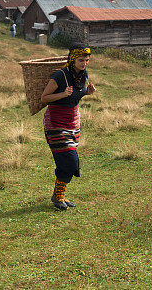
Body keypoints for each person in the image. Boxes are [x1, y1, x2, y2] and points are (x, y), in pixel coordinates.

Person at [40, 44, 97, 210]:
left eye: (87, 60)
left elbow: (76, 96)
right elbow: (45, 98)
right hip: (55, 124)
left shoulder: (83, 75)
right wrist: (62, 94)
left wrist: (87, 92)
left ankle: (59, 197)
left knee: (66, 162)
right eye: (81, 60)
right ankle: (58, 196)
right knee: (70, 162)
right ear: (72, 59)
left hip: (73, 123)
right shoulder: (59, 75)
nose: (84, 63)